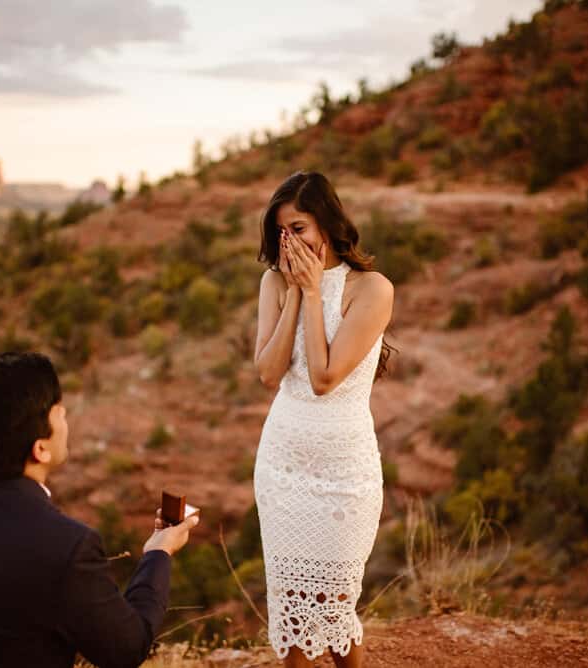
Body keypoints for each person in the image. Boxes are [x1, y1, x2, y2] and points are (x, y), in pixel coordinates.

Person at [0, 352, 199, 668]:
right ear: (39, 449)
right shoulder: (67, 548)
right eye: (58, 411)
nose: (64, 413)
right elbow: (126, 648)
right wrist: (159, 552)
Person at [253, 172, 394, 668]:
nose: (288, 242)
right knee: (293, 612)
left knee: (334, 606)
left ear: (328, 226)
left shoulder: (372, 289)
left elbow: (324, 377)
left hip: (344, 473)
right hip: (283, 467)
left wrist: (314, 293)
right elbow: (269, 374)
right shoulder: (274, 283)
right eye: (281, 233)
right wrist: (293, 292)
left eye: (299, 228)